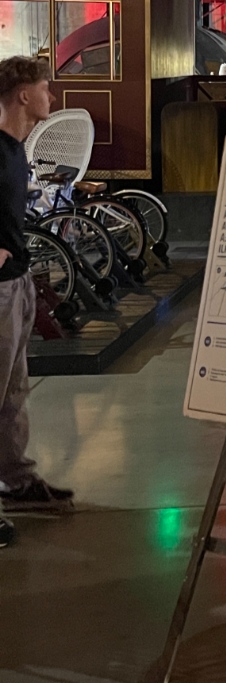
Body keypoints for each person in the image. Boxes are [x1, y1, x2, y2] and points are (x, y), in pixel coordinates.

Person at [0, 56, 73, 526]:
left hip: (18, 283)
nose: (52, 96)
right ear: (25, 95)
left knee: (13, 393)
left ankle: (17, 481)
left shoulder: (15, 150)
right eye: (46, 87)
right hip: (0, 289)